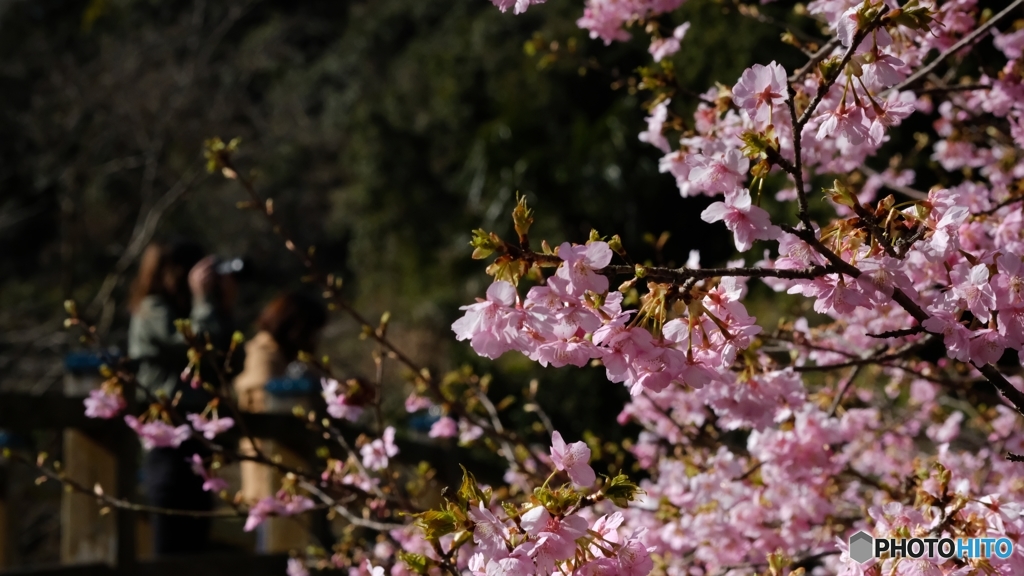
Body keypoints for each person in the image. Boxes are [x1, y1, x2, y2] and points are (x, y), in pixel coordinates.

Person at [127, 240, 234, 556]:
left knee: (198, 521)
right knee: (172, 523)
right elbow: (194, 343)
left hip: (196, 431)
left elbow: (224, 363)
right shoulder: (152, 309)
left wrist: (224, 307)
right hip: (166, 432)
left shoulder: (190, 311)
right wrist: (204, 301)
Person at [233, 291, 326, 552]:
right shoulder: (262, 353)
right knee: (276, 549)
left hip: (299, 471)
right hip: (271, 474)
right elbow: (265, 398)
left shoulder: (297, 358)